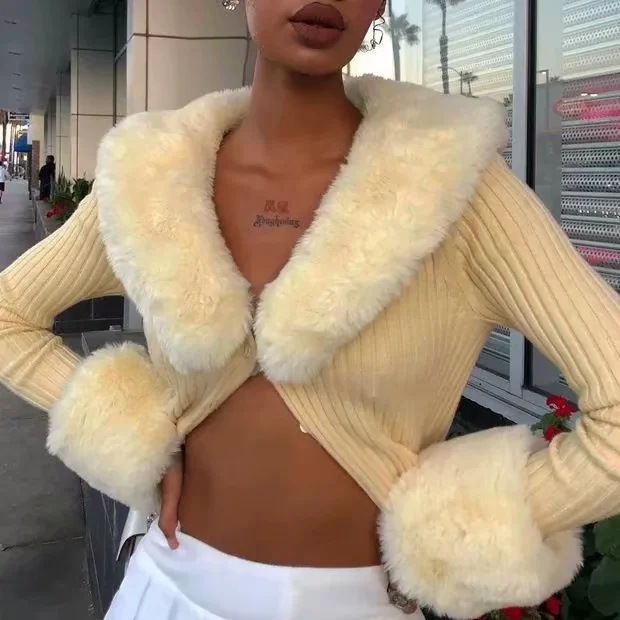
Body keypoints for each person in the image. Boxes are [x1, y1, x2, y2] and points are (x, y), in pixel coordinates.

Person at [0, 1, 619, 618]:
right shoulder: (153, 178)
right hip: (166, 588)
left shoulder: (456, 186)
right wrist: (125, 433)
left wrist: (457, 528)